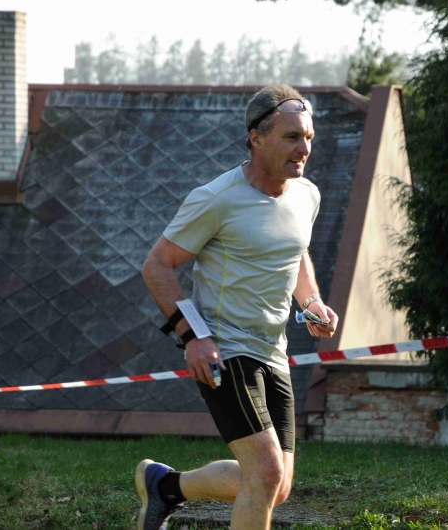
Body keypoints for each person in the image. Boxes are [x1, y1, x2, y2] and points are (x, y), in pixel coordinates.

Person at [137, 84, 339, 530]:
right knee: (265, 474)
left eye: (308, 137)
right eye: (291, 137)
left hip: (273, 350)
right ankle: (164, 487)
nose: (304, 149)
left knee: (277, 485)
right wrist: (193, 336)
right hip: (224, 350)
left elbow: (295, 252)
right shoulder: (216, 198)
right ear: (256, 138)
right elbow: (157, 265)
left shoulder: (307, 194)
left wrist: (311, 302)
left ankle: (165, 486)